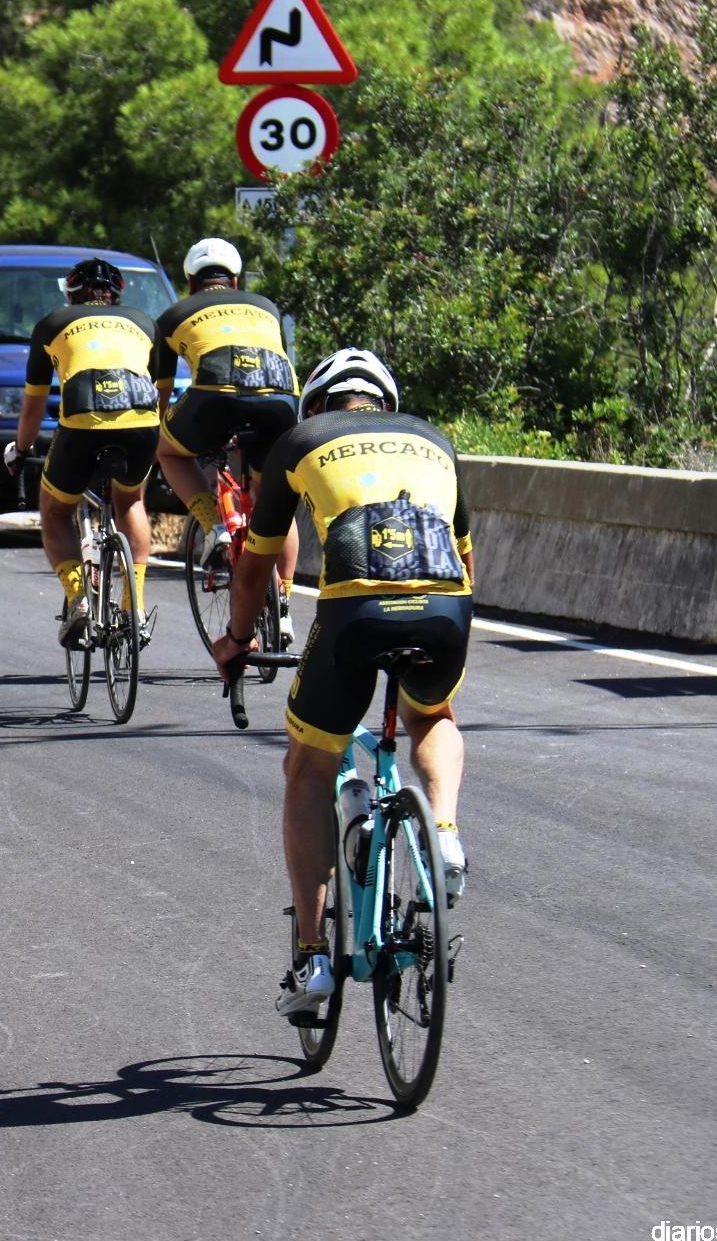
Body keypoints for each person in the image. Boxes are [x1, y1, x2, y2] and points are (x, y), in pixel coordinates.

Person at [212, 348, 473, 1020]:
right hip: (446, 606)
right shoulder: (435, 440)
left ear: (318, 405)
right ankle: (443, 832)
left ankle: (312, 958)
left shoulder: (301, 441)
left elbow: (254, 568)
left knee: (308, 768)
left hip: (355, 610)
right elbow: (466, 556)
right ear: (386, 403)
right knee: (432, 717)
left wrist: (237, 640)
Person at [2, 257, 161, 649]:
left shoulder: (52, 324)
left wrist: (21, 450)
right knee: (131, 501)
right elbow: (156, 386)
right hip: (143, 421)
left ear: (70, 294)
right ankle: (135, 606)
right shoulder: (144, 322)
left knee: (55, 511)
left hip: (82, 422)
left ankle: (79, 600)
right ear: (117, 295)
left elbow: (33, 408)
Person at [153, 237, 301, 641]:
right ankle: (284, 603)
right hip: (281, 400)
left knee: (169, 451)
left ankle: (214, 525)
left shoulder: (172, 315)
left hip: (214, 398)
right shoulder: (266, 306)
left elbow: (161, 393)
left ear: (190, 283)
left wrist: (160, 431)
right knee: (274, 500)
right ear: (235, 280)